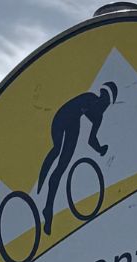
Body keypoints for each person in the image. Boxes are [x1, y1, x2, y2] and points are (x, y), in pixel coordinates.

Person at [36, 80, 117, 234]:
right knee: (56, 150)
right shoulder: (89, 98)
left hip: (74, 124)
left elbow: (91, 140)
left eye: (107, 103)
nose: (104, 104)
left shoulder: (98, 116)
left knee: (62, 167)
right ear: (102, 95)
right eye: (104, 98)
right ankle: (42, 179)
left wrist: (101, 149)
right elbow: (83, 107)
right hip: (62, 118)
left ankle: (48, 208)